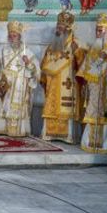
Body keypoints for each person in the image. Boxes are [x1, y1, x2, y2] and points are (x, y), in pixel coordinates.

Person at [77, 13, 107, 153]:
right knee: (92, 112)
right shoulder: (95, 46)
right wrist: (85, 80)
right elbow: (87, 65)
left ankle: (105, 144)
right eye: (97, 29)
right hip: (95, 86)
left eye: (100, 30)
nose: (97, 33)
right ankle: (89, 143)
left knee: (105, 113)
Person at [40, 11, 86, 143]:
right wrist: (44, 79)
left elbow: (83, 66)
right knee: (52, 106)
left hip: (68, 82)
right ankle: (49, 133)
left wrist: (77, 52)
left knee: (66, 108)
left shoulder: (76, 44)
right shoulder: (52, 45)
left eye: (61, 27)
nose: (58, 29)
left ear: (69, 28)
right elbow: (44, 64)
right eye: (58, 26)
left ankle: (68, 136)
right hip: (53, 83)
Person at [0, 21, 40, 137]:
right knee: (5, 107)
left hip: (20, 86)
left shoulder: (28, 52)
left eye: (15, 36)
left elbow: (36, 72)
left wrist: (28, 64)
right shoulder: (4, 51)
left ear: (20, 36)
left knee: (19, 108)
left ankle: (20, 130)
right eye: (11, 36)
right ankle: (4, 129)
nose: (13, 38)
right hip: (6, 86)